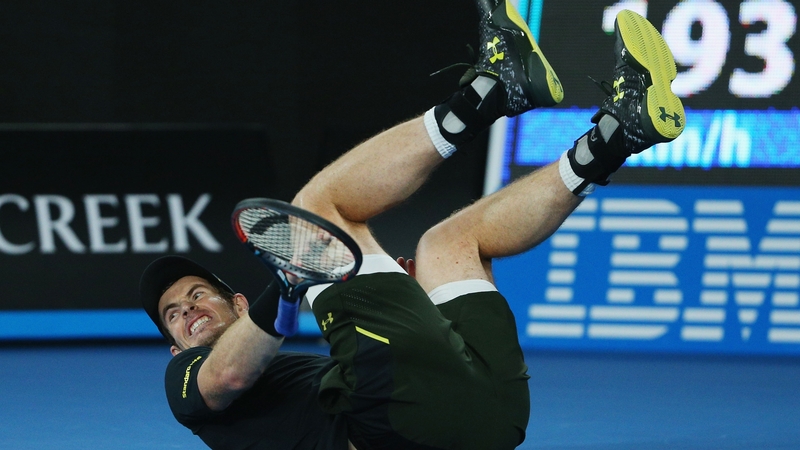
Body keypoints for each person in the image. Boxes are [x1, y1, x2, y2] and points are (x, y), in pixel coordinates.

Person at [139, 3, 684, 449]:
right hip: (396, 428)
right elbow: (227, 377)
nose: (188, 310)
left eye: (196, 295)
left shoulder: (295, 374)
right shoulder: (184, 383)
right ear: (174, 350)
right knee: (318, 210)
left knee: (449, 244)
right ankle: (489, 92)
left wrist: (418, 316)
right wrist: (289, 282)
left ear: (237, 304)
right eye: (173, 315)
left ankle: (617, 136)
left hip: (489, 418)